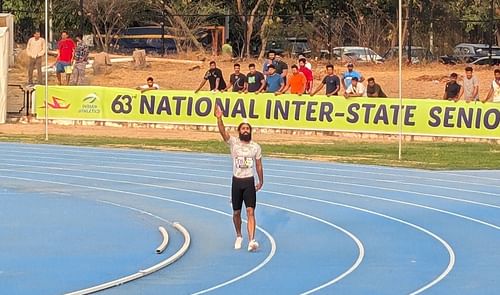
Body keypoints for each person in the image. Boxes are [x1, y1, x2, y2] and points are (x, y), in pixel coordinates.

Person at [215, 105, 264, 252]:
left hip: (249, 182)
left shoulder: (255, 147)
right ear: (239, 131)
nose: (245, 131)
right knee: (236, 212)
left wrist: (261, 181)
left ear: (250, 131)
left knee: (250, 211)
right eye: (243, 129)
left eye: (247, 129)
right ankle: (239, 235)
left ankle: (251, 240)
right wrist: (219, 118)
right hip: (236, 182)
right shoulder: (234, 143)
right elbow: (223, 133)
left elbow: (259, 165)